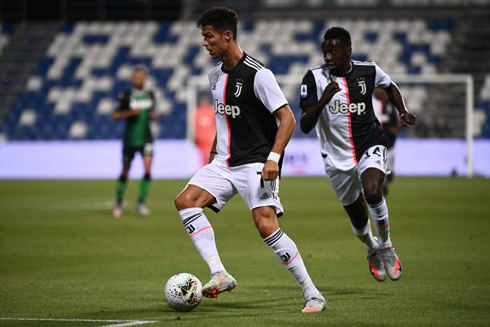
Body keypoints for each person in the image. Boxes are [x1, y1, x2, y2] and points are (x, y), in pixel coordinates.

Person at [174, 7, 326, 313]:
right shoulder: (214, 74)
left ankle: (313, 294)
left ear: (227, 36)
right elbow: (223, 116)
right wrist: (215, 150)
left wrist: (273, 159)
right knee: (185, 201)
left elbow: (287, 120)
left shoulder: (259, 75)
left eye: (209, 36)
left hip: (257, 163)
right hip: (224, 163)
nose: (205, 43)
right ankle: (219, 272)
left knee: (265, 226)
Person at [299, 27, 416, 282]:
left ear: (348, 52)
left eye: (333, 51)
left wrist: (403, 111)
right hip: (336, 157)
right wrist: (323, 99)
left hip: (369, 144)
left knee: (374, 192)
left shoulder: (369, 70)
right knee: (358, 216)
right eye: (325, 52)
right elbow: (305, 125)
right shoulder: (314, 79)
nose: (328, 57)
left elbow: (390, 86)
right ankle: (372, 247)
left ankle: (386, 245)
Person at [112, 66, 158, 218]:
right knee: (125, 170)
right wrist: (130, 113)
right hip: (130, 139)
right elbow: (115, 115)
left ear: (145, 78)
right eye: (137, 77)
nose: (139, 79)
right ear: (133, 79)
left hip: (146, 138)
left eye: (142, 77)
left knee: (147, 169)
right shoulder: (126, 95)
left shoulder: (150, 95)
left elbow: (151, 112)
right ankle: (119, 201)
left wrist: (152, 115)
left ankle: (141, 202)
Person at [372, 88, 402, 195]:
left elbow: (397, 123)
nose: (376, 91)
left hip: (389, 144)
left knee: (390, 174)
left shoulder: (390, 105)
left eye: (378, 89)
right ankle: (379, 186)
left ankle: (383, 183)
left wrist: (397, 129)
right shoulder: (372, 104)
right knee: (375, 168)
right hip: (375, 144)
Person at [194, 94, 216, 166]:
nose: (203, 102)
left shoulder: (211, 111)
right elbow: (195, 126)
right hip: (201, 139)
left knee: (209, 156)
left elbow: (215, 124)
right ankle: (204, 170)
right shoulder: (198, 112)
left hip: (210, 139)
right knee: (203, 157)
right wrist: (195, 136)